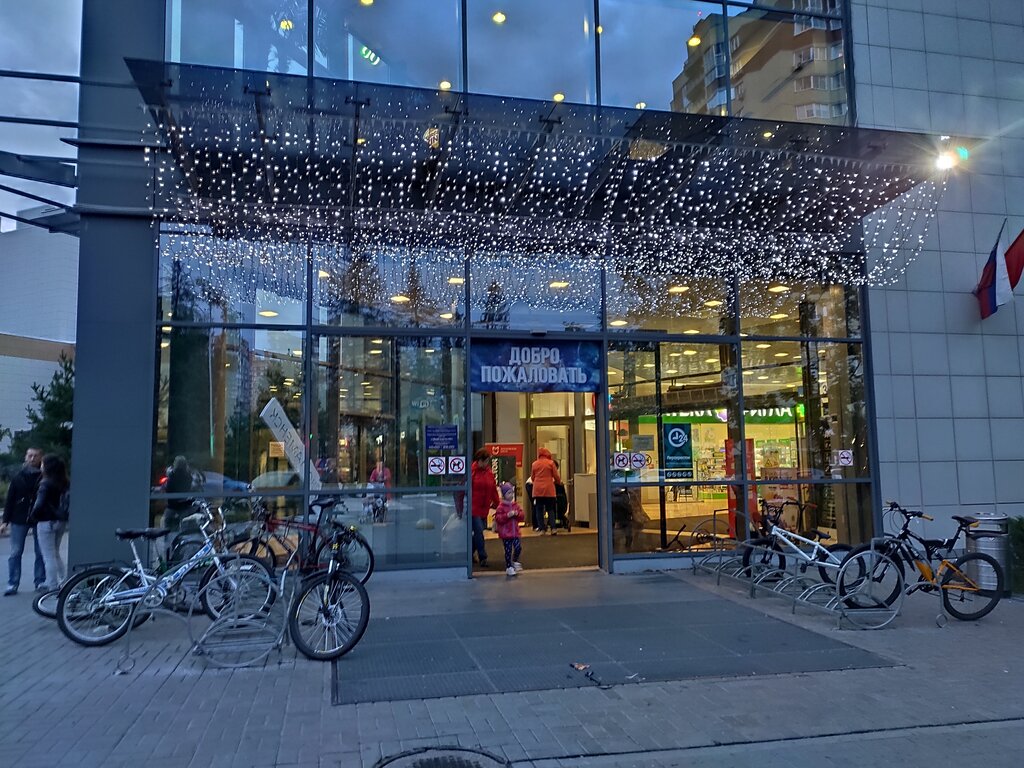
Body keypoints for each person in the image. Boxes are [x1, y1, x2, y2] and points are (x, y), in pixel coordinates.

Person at [2, 447, 46, 595]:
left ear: (40, 458)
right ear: (25, 457)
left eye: (35, 456)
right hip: (18, 518)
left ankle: (40, 581)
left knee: (40, 552)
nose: (32, 458)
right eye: (29, 455)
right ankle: (12, 583)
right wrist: (5, 521)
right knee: (15, 552)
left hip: (40, 518)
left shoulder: (44, 476)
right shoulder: (18, 476)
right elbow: (10, 500)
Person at [30, 455, 69, 591]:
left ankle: (52, 585)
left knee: (48, 556)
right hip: (60, 520)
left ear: (47, 467)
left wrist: (33, 516)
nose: (41, 466)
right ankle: (64, 580)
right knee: (55, 553)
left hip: (46, 521)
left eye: (42, 464)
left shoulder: (45, 483)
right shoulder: (64, 482)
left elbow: (39, 504)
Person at [470, 449, 499, 568]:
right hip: (473, 507)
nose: (487, 463)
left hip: (484, 508)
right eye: (485, 461)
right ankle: (483, 557)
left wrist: (498, 505)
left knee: (479, 532)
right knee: (479, 532)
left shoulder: (489, 473)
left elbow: (493, 489)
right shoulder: (472, 472)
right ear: (479, 460)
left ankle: (469, 553)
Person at [494, 482, 523, 577]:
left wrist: (517, 514)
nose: (511, 495)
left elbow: (522, 516)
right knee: (508, 550)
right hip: (506, 534)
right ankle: (509, 566)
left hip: (515, 532)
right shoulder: (501, 507)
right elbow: (498, 519)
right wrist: (507, 515)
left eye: (512, 492)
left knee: (518, 547)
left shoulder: (516, 505)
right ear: (504, 495)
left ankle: (514, 561)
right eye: (509, 493)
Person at [529, 447, 561, 535]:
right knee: (550, 509)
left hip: (537, 490)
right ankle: (553, 528)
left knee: (539, 510)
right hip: (549, 489)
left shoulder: (534, 464)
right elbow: (556, 476)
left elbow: (532, 477)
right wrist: (558, 482)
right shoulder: (551, 463)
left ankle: (542, 529)